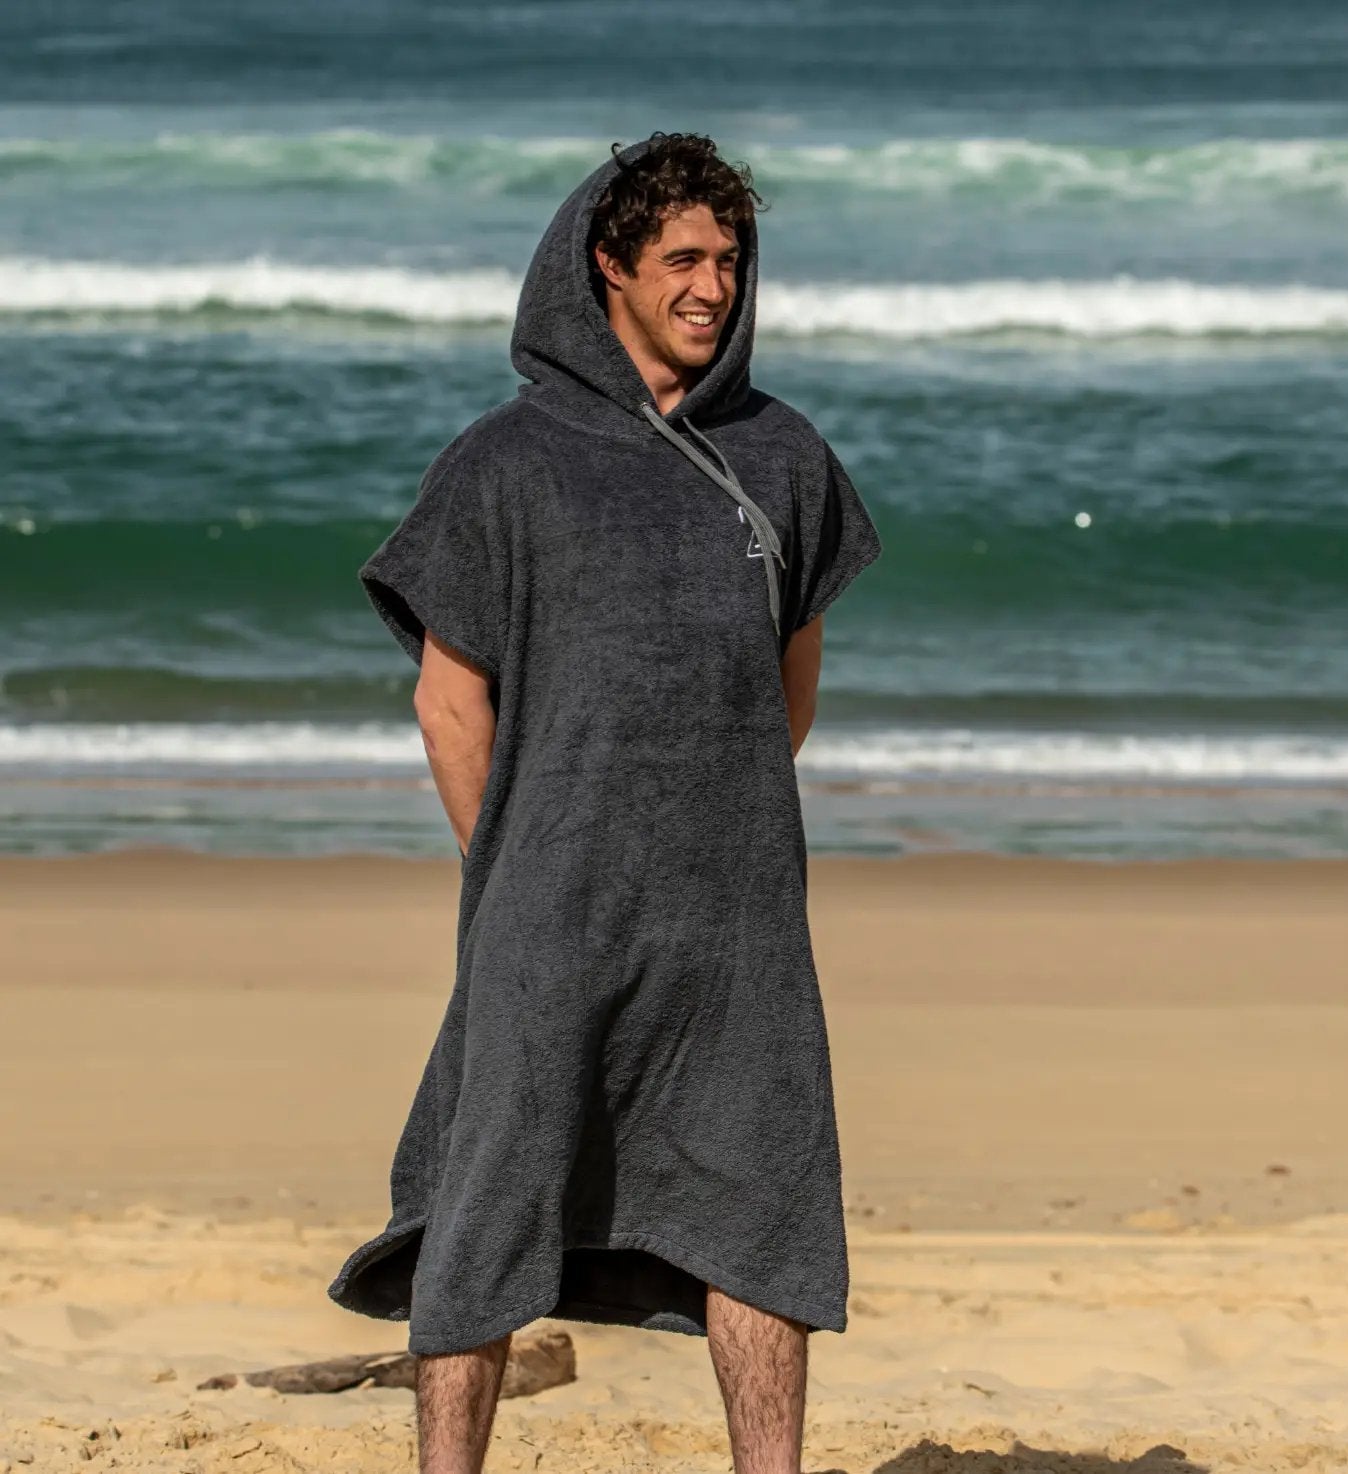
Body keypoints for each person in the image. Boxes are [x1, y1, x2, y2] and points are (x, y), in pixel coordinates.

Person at [329, 131, 883, 1474]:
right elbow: (450, 705)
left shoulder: (782, 456)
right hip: (549, 904)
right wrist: (522, 859)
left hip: (734, 916)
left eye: (731, 258)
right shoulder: (504, 464)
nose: (714, 284)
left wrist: (711, 825)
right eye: (684, 257)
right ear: (609, 269)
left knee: (759, 1190)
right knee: (486, 1194)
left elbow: (786, 686)